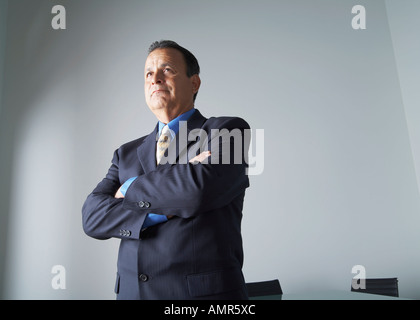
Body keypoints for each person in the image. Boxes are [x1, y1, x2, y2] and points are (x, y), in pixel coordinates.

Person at [82, 40, 251, 300]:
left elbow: (197, 191)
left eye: (167, 70)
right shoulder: (125, 153)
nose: (155, 79)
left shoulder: (227, 130)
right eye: (149, 73)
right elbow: (92, 218)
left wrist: (127, 188)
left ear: (194, 83)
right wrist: (176, 186)